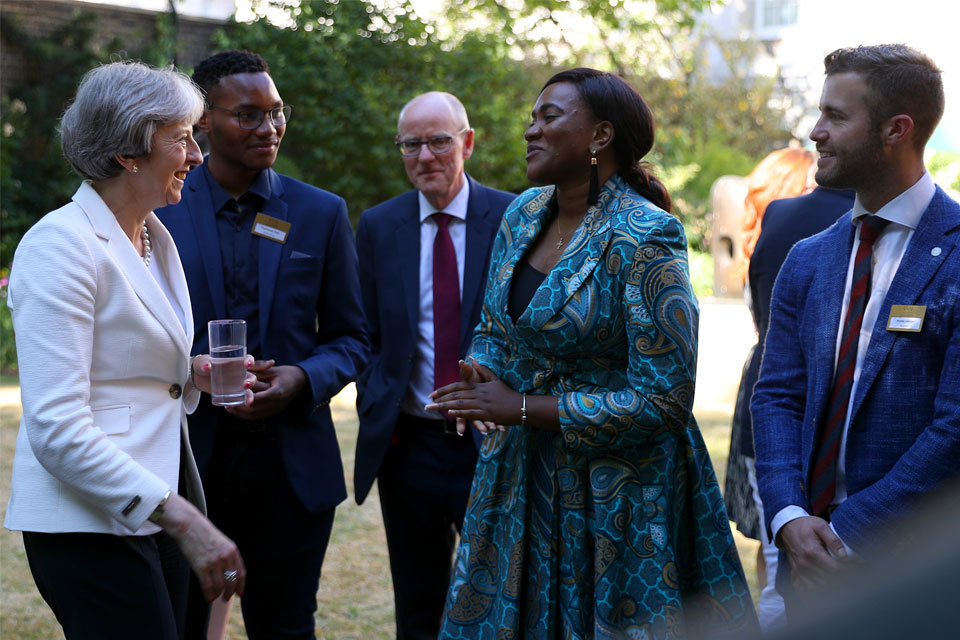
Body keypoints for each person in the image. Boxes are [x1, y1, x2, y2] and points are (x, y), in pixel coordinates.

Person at [428, 68, 758, 638]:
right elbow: (494, 329)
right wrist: (483, 370)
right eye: (532, 117)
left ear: (600, 136)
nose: (530, 130)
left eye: (549, 117)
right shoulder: (521, 215)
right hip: (520, 481)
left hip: (617, 496)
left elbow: (665, 400)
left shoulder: (646, 234)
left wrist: (523, 407)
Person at [4, 61, 254, 639]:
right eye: (181, 139)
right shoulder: (58, 245)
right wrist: (184, 517)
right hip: (88, 524)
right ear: (127, 153)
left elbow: (122, 362)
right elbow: (57, 428)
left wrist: (191, 373)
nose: (197, 156)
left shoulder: (153, 236)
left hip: (153, 505)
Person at [157, 50, 367, 639]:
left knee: (286, 627)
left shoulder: (320, 212)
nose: (269, 127)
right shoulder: (158, 212)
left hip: (291, 470)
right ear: (203, 121)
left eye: (276, 113)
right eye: (248, 114)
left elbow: (353, 337)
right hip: (186, 464)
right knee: (183, 626)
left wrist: (302, 379)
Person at [752, 44, 960, 613]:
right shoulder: (808, 258)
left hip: (916, 576)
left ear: (896, 130)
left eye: (835, 117)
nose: (815, 132)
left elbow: (954, 427)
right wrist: (789, 518)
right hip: (805, 562)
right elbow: (776, 396)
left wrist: (847, 533)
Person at [353, 91, 515, 640]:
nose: (425, 156)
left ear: (467, 143)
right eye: (411, 145)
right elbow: (363, 330)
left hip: (494, 444)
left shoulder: (514, 216)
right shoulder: (379, 226)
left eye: (439, 141)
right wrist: (376, 394)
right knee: (418, 604)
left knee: (500, 598)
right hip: (410, 448)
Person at [722, 147, 816, 628]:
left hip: (762, 380)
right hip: (784, 390)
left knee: (772, 537)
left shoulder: (767, 233)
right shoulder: (806, 231)